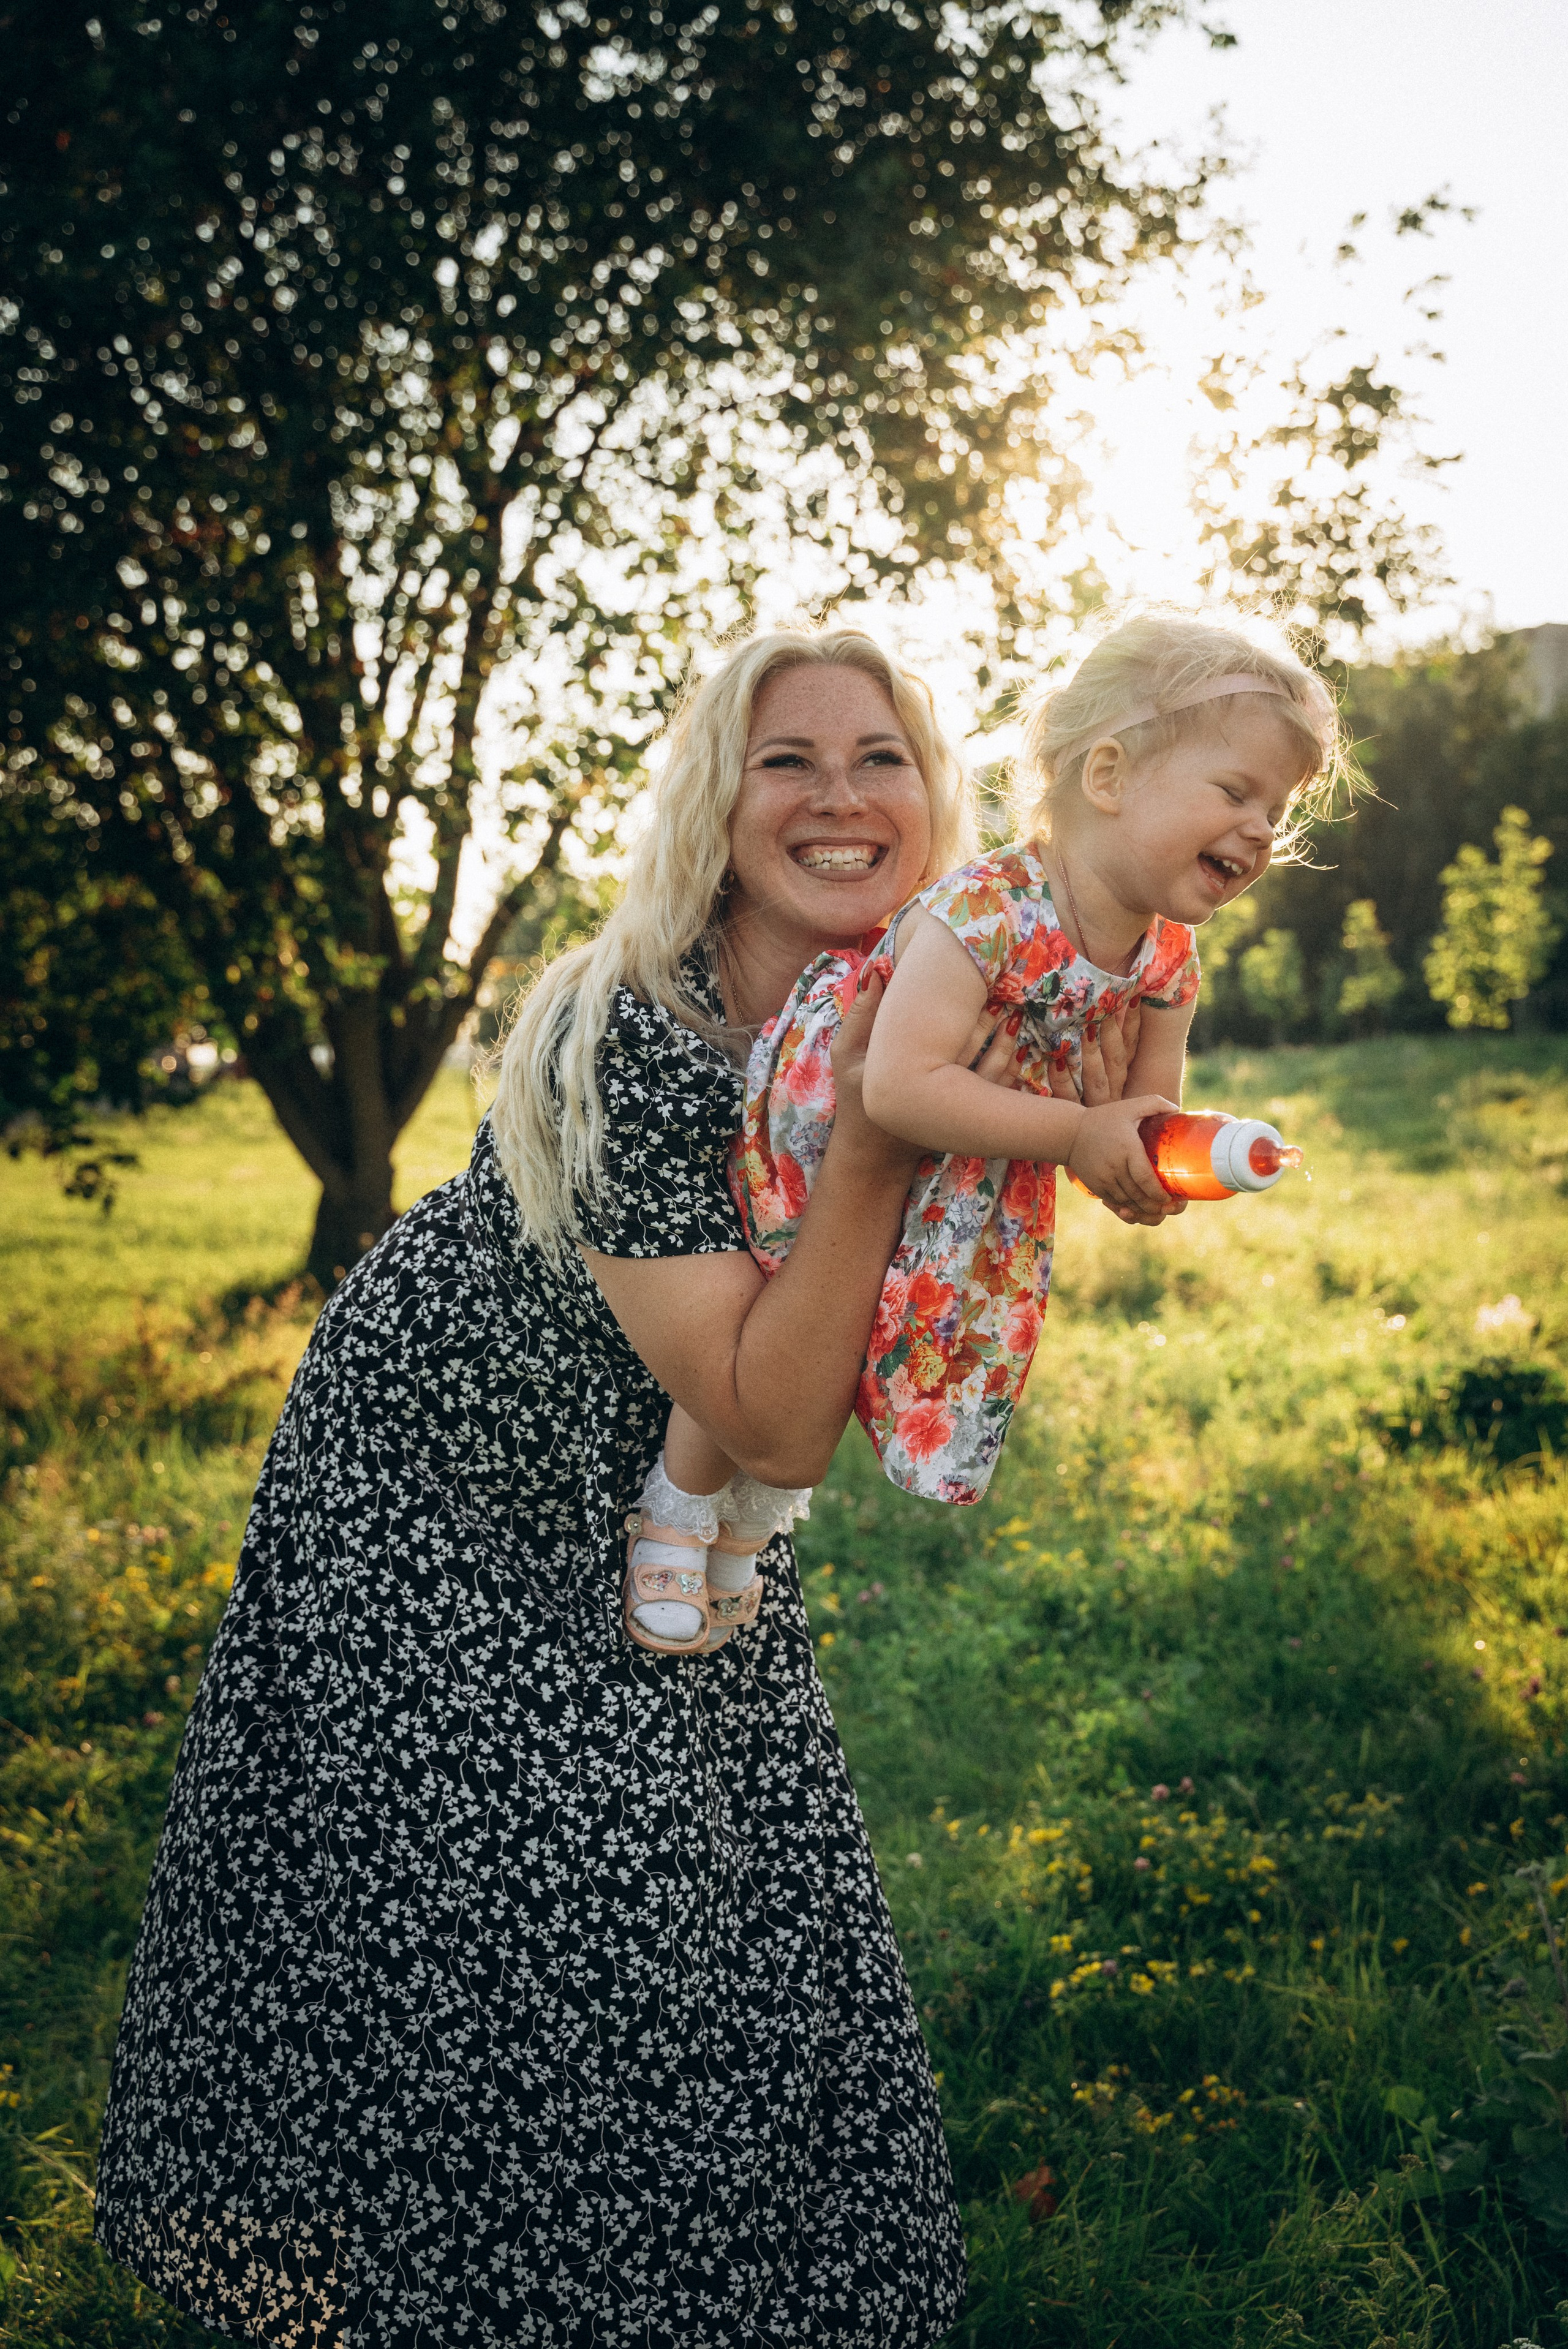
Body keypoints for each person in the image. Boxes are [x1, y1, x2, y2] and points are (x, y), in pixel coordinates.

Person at [94, 622, 1148, 2349]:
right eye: (786, 758)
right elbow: (780, 1415)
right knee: (513, 1910)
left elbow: (1096, 1059)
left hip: (659, 1481)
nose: (838, 797)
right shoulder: (633, 1029)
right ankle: (463, 2294)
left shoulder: (937, 987)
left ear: (935, 792)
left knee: (734, 1881)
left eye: (880, 757)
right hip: (436, 1468)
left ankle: (754, 2298)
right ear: (715, 799)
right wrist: (884, 1133)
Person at [634, 612, 1341, 1596]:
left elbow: (1138, 1117)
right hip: (824, 1118)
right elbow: (896, 1083)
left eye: (1280, 806)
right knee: (784, 1287)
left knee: (879, 1322)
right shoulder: (987, 908)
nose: (1263, 828)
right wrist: (1078, 1133)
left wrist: (1160, 1166)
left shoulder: (1171, 962)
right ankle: (675, 1508)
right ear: (1108, 777)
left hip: (956, 1159)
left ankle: (749, 1523)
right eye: (1235, 791)